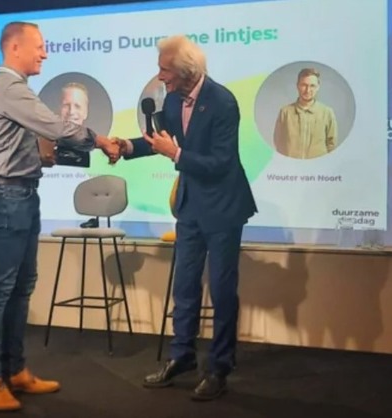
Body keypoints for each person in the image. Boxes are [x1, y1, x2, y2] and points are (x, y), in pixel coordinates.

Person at [0, 21, 118, 411]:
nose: (45, 53)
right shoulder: (9, 88)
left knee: (21, 287)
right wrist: (100, 140)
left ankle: (14, 371)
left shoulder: (16, 90)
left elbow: (25, 141)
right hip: (5, 195)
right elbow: (55, 126)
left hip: (20, 193)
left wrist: (39, 156)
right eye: (39, 46)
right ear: (14, 48)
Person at [112, 35, 257, 401]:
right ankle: (182, 358)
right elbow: (159, 139)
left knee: (221, 290)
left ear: (187, 70)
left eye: (165, 70)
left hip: (224, 207)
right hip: (190, 206)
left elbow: (220, 163)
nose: (160, 76)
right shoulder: (174, 99)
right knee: (185, 286)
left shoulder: (223, 101)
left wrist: (175, 154)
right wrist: (127, 146)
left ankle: (219, 368)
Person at [273, 68, 338, 159]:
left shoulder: (327, 113)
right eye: (304, 85)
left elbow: (331, 145)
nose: (307, 90)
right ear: (297, 86)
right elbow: (278, 142)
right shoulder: (285, 112)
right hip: (291, 166)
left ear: (318, 87)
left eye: (312, 86)